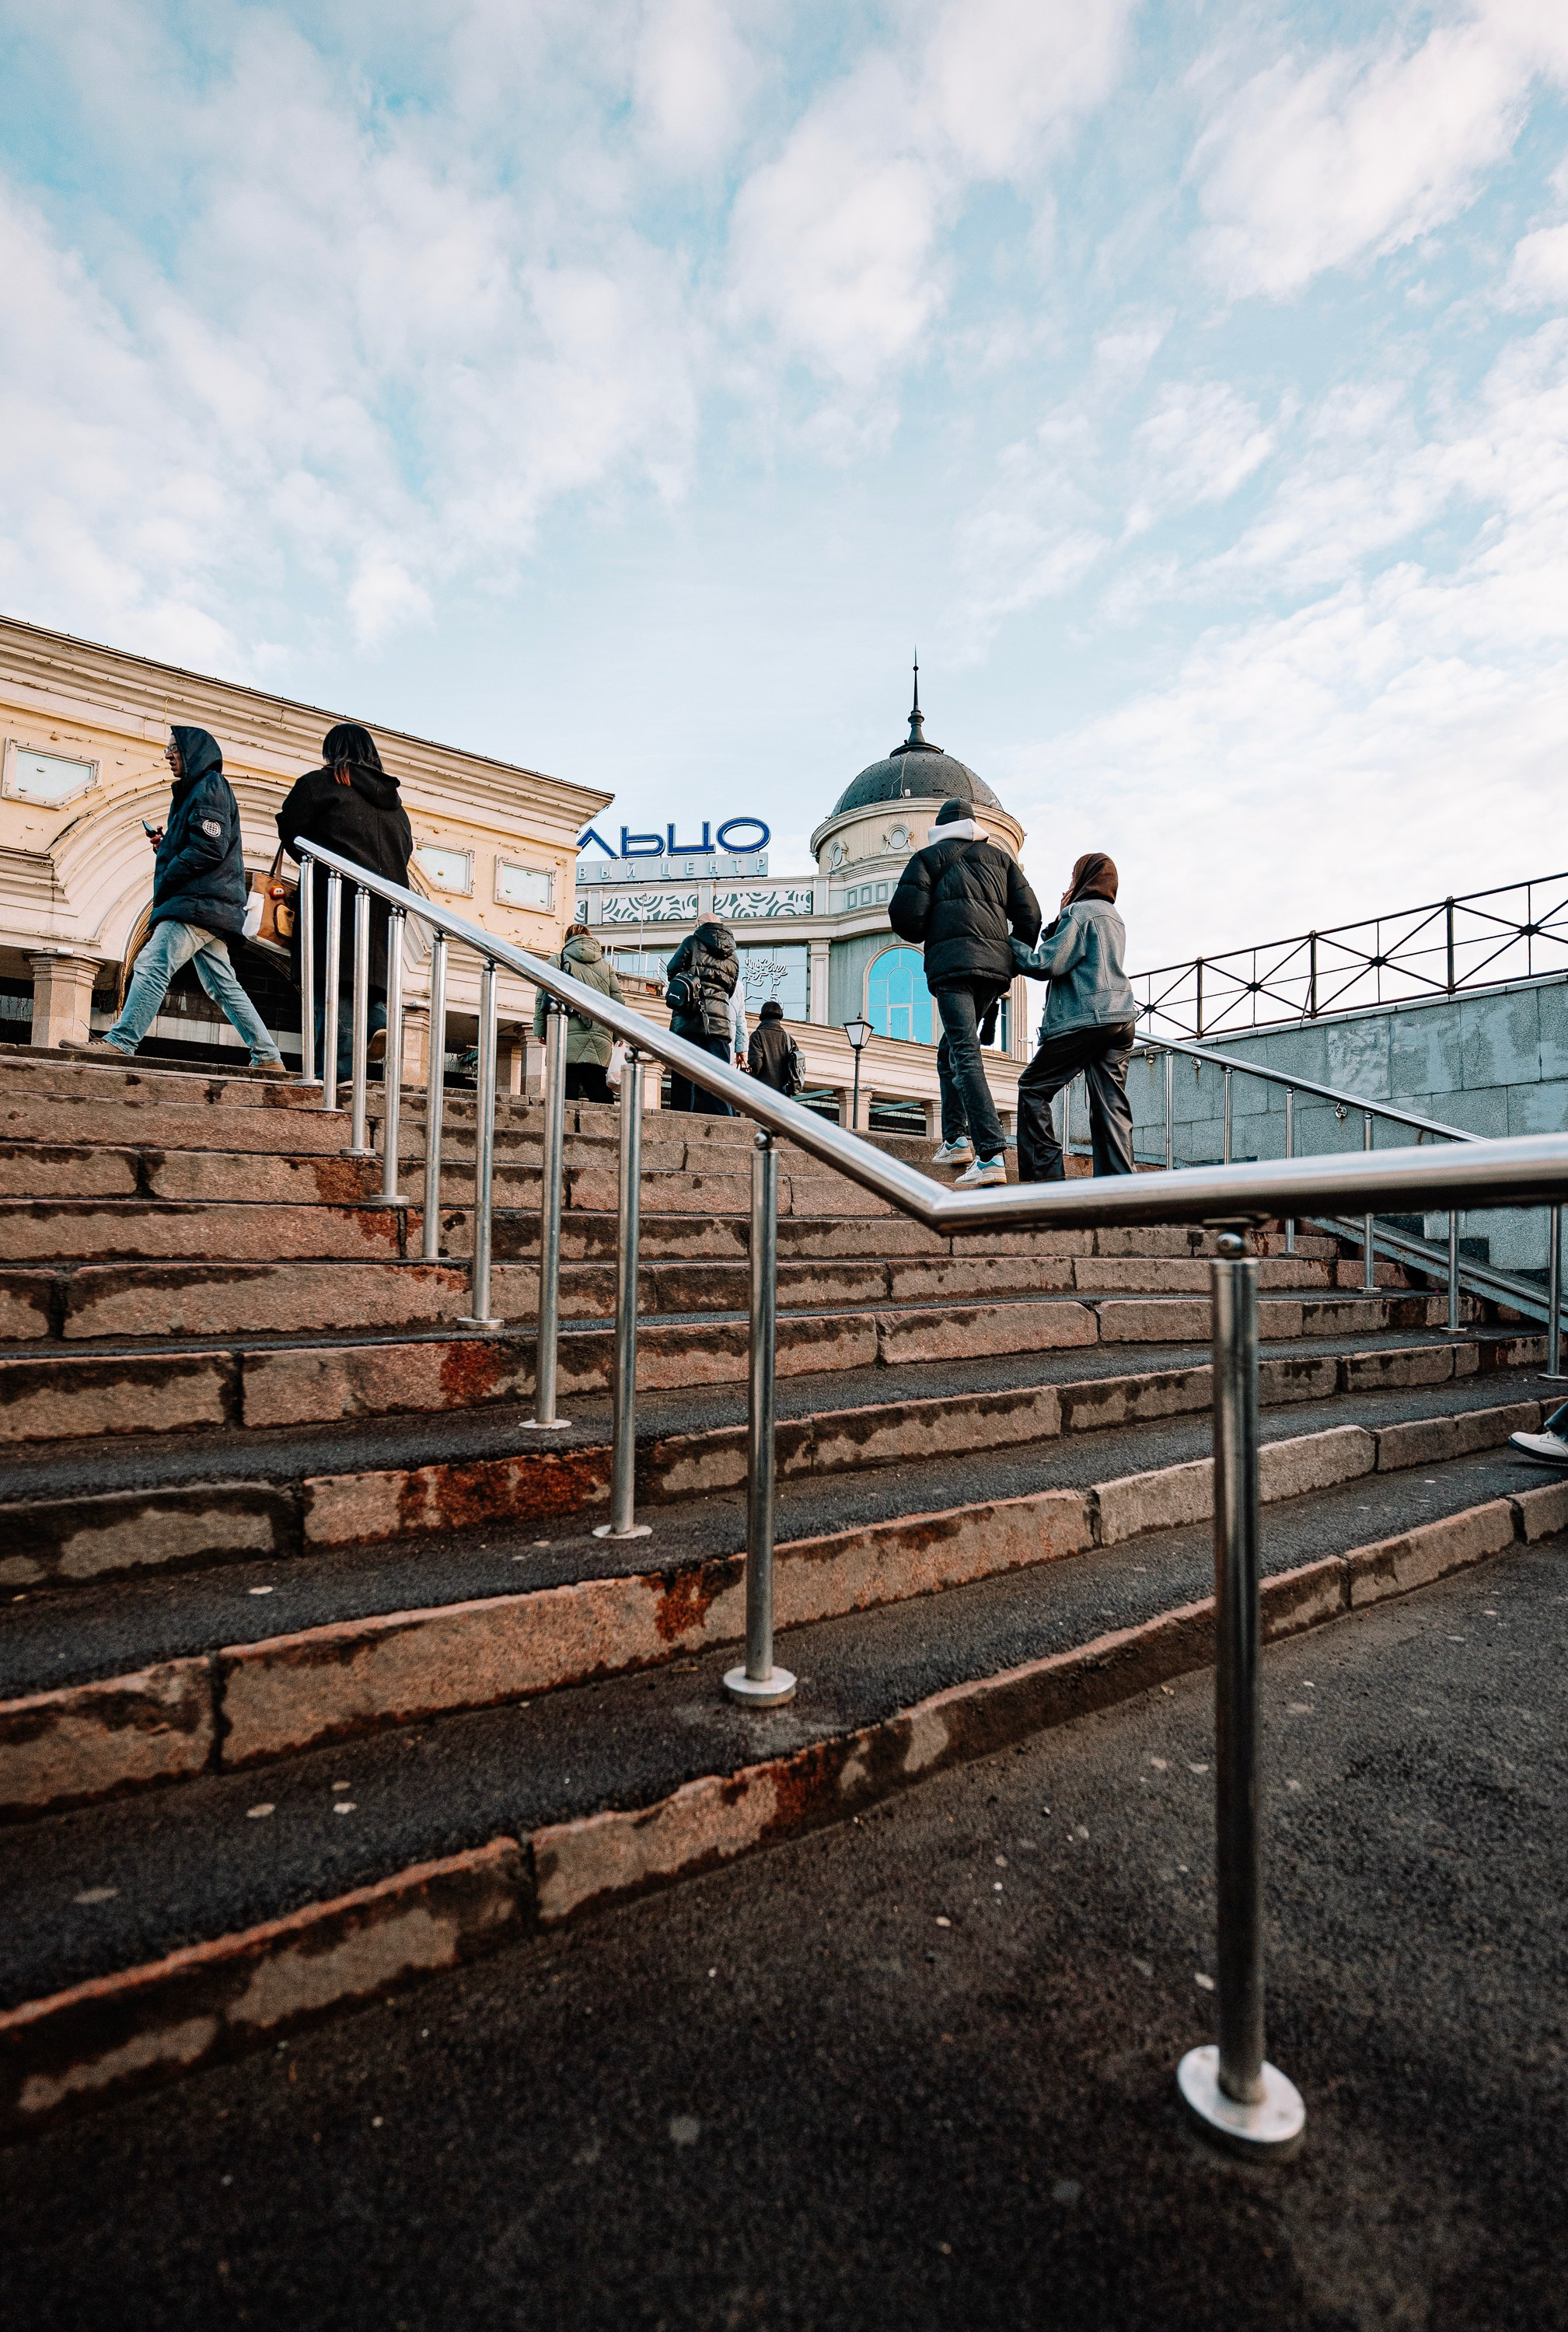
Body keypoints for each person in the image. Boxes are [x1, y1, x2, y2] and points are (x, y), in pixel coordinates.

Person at [63, 727, 285, 1073]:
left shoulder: (209, 785)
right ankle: (268, 1057)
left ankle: (121, 1042)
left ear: (193, 752)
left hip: (198, 903)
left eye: (174, 749)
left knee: (152, 964)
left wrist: (171, 871)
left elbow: (210, 846)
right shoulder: (198, 790)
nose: (168, 755)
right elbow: (203, 842)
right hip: (208, 904)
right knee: (222, 986)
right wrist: (166, 845)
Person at [888, 795, 1040, 1187]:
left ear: (940, 827)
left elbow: (908, 918)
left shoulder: (927, 858)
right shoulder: (1002, 860)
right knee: (951, 1051)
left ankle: (989, 1154)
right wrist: (1007, 951)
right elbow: (1031, 916)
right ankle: (955, 1138)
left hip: (953, 967)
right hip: (993, 971)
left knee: (965, 1053)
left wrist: (935, 924)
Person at [277, 724, 413, 1080]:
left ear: (332, 752)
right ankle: (378, 1023)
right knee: (365, 982)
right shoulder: (397, 808)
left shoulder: (320, 784)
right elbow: (405, 852)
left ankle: (335, 1078)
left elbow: (291, 830)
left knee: (334, 986)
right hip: (385, 910)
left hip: (337, 901)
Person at [1011, 851, 1137, 1182]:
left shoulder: (1080, 913)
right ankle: (1122, 1187)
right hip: (1121, 1017)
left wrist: (1008, 943)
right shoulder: (1113, 915)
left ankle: (1046, 1179)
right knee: (1110, 1104)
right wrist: (1060, 920)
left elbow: (1045, 963)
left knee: (1033, 1087)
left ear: (1085, 879)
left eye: (1073, 877)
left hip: (1087, 1017)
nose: (1068, 885)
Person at [533, 924, 623, 1104]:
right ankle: (608, 1129)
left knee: (565, 1091)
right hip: (600, 1036)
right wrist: (618, 1035)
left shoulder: (558, 961)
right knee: (598, 1088)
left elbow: (542, 998)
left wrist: (541, 1031)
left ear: (568, 939)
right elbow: (617, 1003)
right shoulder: (606, 966)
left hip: (564, 1035)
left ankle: (561, 1129)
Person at [665, 918, 740, 1113]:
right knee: (719, 1074)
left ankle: (683, 1116)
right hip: (720, 1019)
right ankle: (723, 1120)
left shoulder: (692, 941)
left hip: (690, 1015)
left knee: (686, 1070)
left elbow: (673, 969)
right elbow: (730, 988)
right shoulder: (732, 954)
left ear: (699, 925)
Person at [748, 997, 803, 1094]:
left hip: (762, 1090)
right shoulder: (788, 1039)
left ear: (762, 1015)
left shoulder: (757, 1035)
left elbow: (756, 1062)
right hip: (783, 1093)